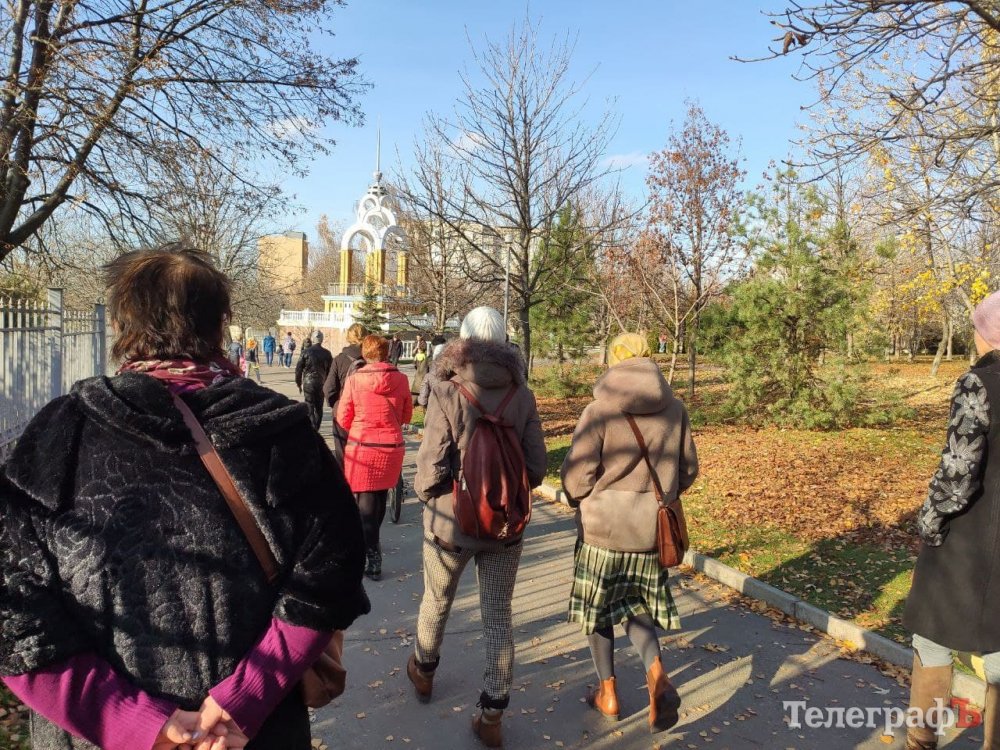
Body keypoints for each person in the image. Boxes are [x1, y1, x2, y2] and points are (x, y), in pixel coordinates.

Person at [0, 246, 370, 750]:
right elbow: (330, 574)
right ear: (220, 324)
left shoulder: (57, 436)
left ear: (121, 325)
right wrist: (243, 698)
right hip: (251, 732)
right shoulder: (280, 433)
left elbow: (14, 617)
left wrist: (134, 722)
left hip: (95, 736)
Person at [408, 307, 546, 748]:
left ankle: (424, 669)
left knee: (437, 599)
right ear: (504, 341)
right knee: (498, 614)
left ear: (462, 340)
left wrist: (433, 498)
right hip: (506, 526)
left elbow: (431, 465)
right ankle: (493, 712)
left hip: (451, 524)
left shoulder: (447, 389)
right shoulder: (521, 394)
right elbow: (537, 466)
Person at [560, 332, 698, 735]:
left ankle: (608, 693)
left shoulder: (599, 410)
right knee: (636, 606)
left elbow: (577, 477)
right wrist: (663, 495)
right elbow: (688, 469)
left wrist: (578, 496)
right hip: (650, 532)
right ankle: (656, 675)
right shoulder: (675, 410)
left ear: (614, 360)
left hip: (602, 531)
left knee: (599, 611)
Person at [902, 291, 1000, 750]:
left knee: (933, 641)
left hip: (968, 544)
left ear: (986, 334)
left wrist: (929, 520)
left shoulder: (979, 383)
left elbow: (958, 474)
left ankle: (921, 742)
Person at [336, 335, 412, 581]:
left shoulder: (355, 380)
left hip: (363, 446)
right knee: (379, 498)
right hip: (391, 446)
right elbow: (407, 415)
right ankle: (372, 544)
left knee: (365, 503)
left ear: (365, 353)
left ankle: (372, 554)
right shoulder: (401, 379)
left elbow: (343, 417)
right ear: (387, 352)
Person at [323, 323, 368, 462]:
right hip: (366, 411)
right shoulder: (371, 359)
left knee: (342, 452)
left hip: (343, 408)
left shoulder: (340, 359)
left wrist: (335, 404)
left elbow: (329, 388)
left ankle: (344, 474)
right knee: (363, 453)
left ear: (349, 337)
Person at [295, 331, 334, 430]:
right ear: (322, 339)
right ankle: (316, 428)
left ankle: (312, 428)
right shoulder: (327, 353)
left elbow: (298, 369)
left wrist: (298, 383)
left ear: (313, 339)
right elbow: (331, 371)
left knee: (309, 406)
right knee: (319, 407)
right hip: (321, 383)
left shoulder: (305, 352)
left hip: (308, 383)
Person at [411, 341, 429, 406]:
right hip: (423, 374)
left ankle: (413, 402)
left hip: (418, 374)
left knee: (415, 390)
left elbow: (415, 364)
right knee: (422, 389)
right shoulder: (425, 357)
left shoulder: (417, 356)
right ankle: (421, 402)